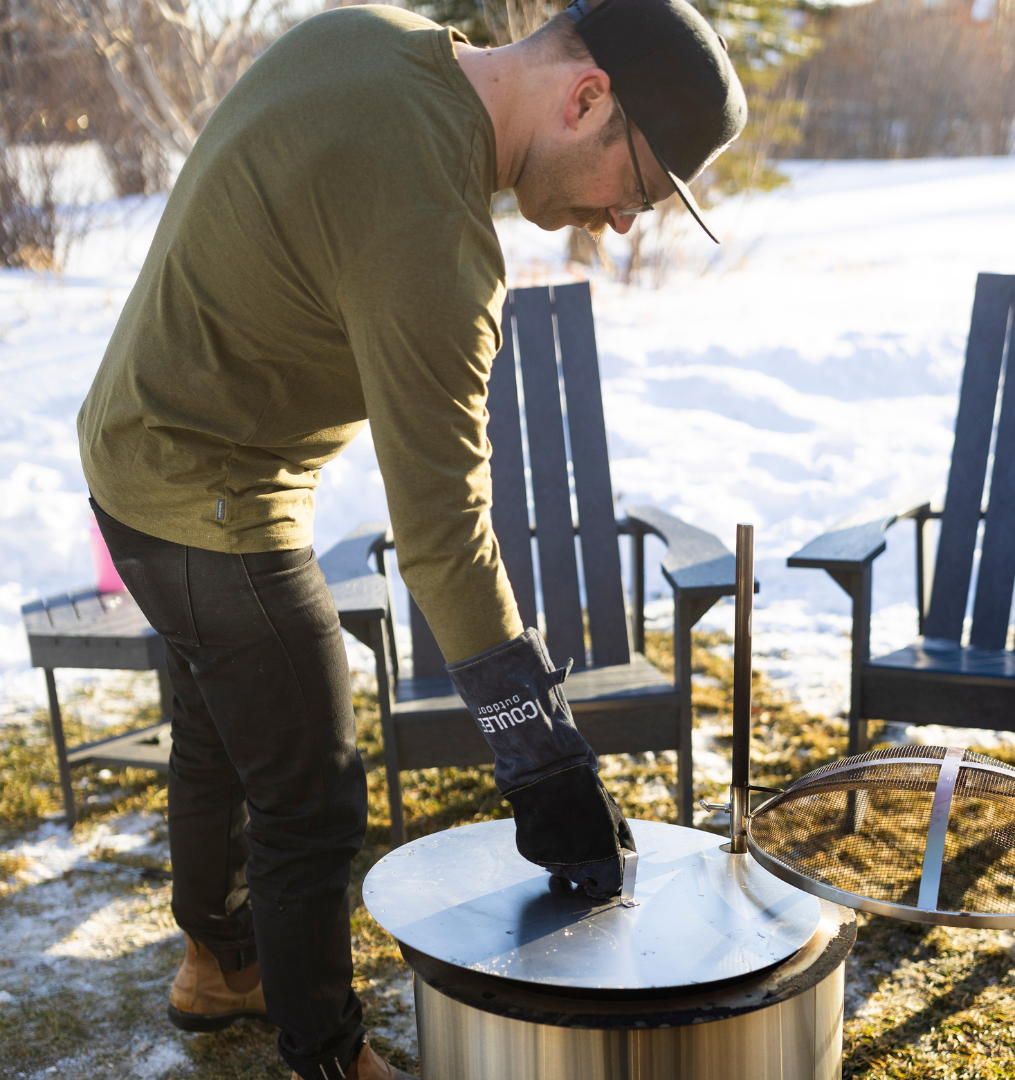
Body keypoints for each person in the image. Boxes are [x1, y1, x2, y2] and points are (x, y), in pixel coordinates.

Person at [77, 0, 745, 1075]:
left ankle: (220, 967)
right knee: (313, 796)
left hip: (128, 451)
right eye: (644, 186)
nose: (622, 223)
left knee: (221, 728)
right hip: (213, 499)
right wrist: (545, 759)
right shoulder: (437, 238)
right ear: (588, 99)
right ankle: (330, 1057)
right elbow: (442, 536)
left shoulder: (371, 34)